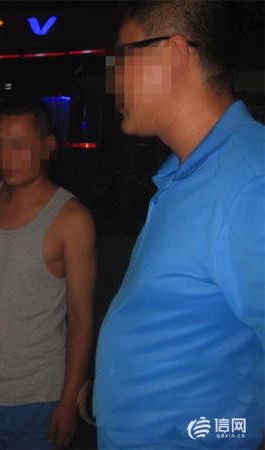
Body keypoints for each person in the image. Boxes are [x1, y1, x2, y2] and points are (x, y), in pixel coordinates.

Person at [95, 2, 264, 449]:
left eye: (122, 57)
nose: (113, 80)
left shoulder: (250, 183)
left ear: (172, 54)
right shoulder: (189, 173)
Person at [0, 97, 96, 449]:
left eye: (19, 145)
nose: (6, 157)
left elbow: (81, 317)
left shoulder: (72, 219)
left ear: (48, 145)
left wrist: (70, 401)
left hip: (37, 402)